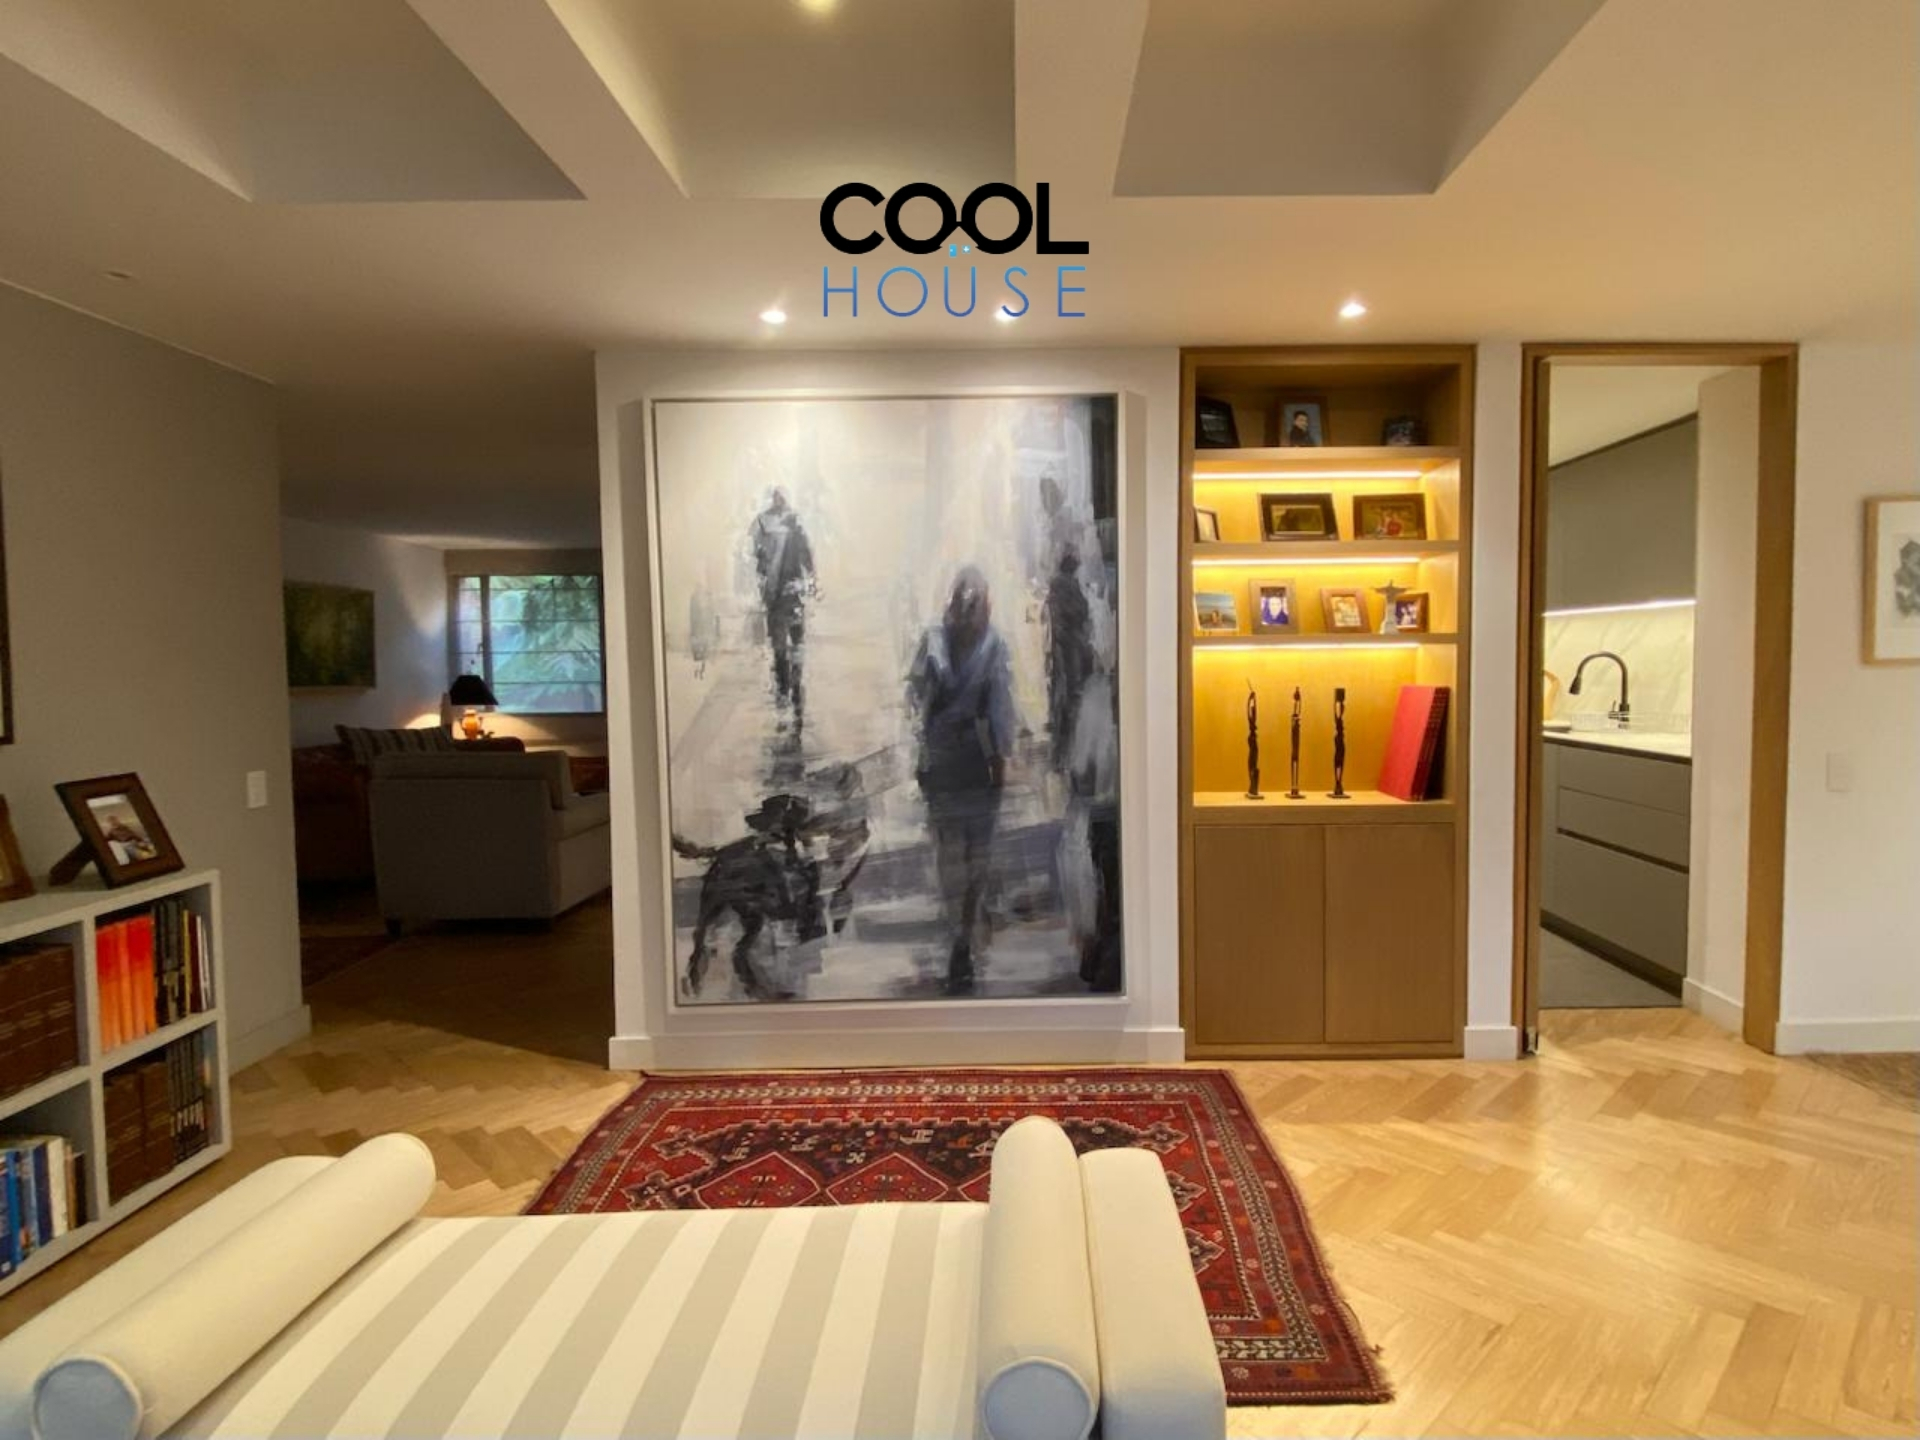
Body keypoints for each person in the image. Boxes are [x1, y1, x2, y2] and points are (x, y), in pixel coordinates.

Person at [906, 567, 1017, 994]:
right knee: (974, 856)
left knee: (950, 853)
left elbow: (916, 699)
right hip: (975, 761)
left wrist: (922, 750)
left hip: (941, 760)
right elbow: (1000, 708)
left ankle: (960, 935)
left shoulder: (933, 640)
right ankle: (964, 934)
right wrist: (1001, 759)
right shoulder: (993, 645)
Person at [748, 488, 816, 724]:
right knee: (786, 645)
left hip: (783, 596)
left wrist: (810, 580)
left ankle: (788, 687)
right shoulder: (778, 524)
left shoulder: (775, 525)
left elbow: (761, 561)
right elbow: (806, 557)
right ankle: (789, 686)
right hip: (784, 597)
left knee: (787, 645)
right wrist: (810, 580)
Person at [1042, 546, 1095, 775]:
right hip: (1068, 648)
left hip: (1060, 648)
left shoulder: (1056, 585)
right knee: (1069, 700)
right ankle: (1064, 755)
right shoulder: (1068, 585)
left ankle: (1059, 755)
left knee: (1060, 699)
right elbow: (1081, 611)